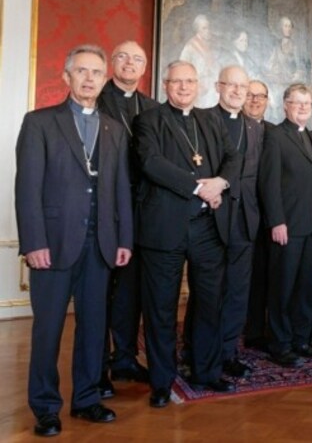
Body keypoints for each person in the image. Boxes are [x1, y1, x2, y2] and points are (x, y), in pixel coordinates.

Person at [15, 44, 133, 436]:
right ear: (66, 77)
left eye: (96, 72)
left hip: (100, 243)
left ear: (105, 79)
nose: (88, 78)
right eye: (80, 71)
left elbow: (120, 190)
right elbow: (27, 189)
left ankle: (86, 399)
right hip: (53, 243)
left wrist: (123, 238)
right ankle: (46, 407)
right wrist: (34, 243)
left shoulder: (114, 130)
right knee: (48, 329)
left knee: (94, 327)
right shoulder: (39, 123)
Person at [134, 60, 241, 408]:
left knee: (210, 302)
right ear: (165, 85)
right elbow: (151, 163)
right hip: (164, 228)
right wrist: (199, 188)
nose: (183, 87)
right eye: (177, 81)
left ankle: (206, 371)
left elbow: (232, 158)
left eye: (190, 81)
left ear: (200, 85)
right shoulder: (149, 119)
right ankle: (162, 381)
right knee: (162, 307)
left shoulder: (210, 120)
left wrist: (221, 182)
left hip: (207, 227)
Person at [96, 40, 157, 396]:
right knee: (102, 291)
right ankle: (98, 365)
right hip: (105, 208)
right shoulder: (96, 101)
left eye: (137, 59)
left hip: (141, 209)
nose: (130, 64)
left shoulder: (150, 107)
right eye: (123, 57)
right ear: (112, 63)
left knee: (130, 291)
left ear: (144, 67)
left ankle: (125, 358)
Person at [258, 83, 312, 367]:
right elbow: (269, 183)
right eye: (297, 102)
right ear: (285, 105)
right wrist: (276, 221)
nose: (303, 107)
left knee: (306, 288)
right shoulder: (275, 136)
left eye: (307, 103)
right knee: (282, 288)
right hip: (287, 226)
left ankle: (302, 340)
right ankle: (280, 344)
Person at [213, 65, 264, 376]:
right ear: (218, 86)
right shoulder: (204, 119)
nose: (236, 92)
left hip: (245, 220)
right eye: (230, 86)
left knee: (236, 291)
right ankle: (200, 350)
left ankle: (228, 352)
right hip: (211, 219)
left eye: (242, 87)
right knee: (208, 292)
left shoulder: (257, 128)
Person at [243, 79, 275, 353]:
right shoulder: (230, 127)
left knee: (263, 277)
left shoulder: (276, 132)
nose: (255, 100)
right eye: (250, 95)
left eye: (260, 96)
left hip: (268, 216)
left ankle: (255, 331)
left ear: (267, 100)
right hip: (237, 214)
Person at [179, 14, 218, 108]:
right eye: (204, 28)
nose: (208, 31)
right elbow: (181, 69)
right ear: (197, 30)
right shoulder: (190, 47)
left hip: (210, 89)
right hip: (197, 88)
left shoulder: (210, 46)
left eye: (208, 27)